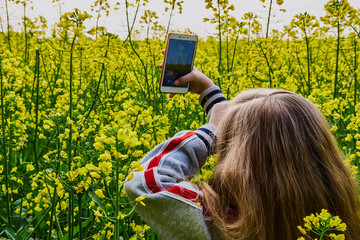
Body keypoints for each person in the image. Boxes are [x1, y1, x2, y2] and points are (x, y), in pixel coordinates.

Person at [124, 67, 360, 240]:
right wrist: (213, 98)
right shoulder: (340, 220)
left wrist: (211, 132)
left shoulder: (221, 225)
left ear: (235, 158)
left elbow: (145, 182)